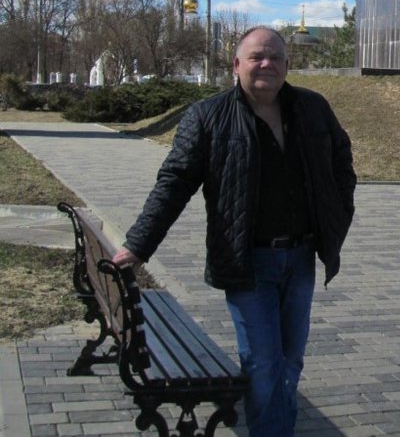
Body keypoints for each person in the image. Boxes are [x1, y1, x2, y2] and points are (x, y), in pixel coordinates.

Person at [112, 26, 356, 436]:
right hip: (248, 262)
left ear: (287, 65)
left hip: (300, 258)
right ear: (237, 64)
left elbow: (341, 160)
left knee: (290, 360)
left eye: (276, 57)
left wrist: (338, 216)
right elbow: (174, 183)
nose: (267, 64)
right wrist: (138, 245)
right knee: (263, 362)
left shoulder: (312, 108)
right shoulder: (208, 117)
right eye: (258, 56)